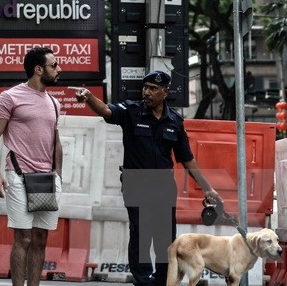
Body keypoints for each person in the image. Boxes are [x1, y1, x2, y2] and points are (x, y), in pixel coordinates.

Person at [69, 70, 221, 286]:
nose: (147, 92)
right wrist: (89, 97)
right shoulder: (131, 111)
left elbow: (186, 158)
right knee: (141, 232)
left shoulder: (175, 120)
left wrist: (207, 188)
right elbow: (106, 111)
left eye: (153, 88)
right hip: (136, 182)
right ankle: (142, 280)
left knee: (165, 236)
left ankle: (161, 280)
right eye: (145, 87)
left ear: (165, 92)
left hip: (163, 185)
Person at [0, 47, 63, 286]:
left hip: (47, 178)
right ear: (39, 70)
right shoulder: (10, 97)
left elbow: (55, 141)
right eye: (54, 65)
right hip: (18, 175)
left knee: (40, 238)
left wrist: (58, 175)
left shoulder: (53, 101)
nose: (59, 69)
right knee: (24, 238)